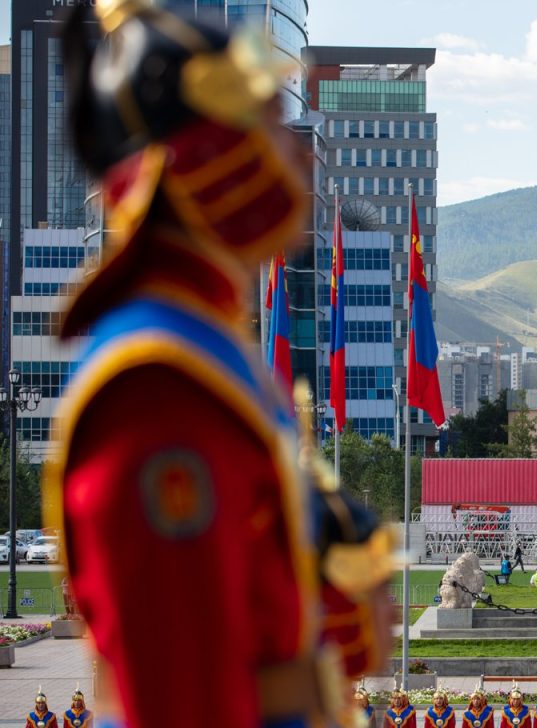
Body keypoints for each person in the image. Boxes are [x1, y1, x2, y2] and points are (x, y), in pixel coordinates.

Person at [49, 2, 395, 725]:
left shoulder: (208, 347)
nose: (298, 152)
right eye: (268, 123)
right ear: (199, 154)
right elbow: (181, 693)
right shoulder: (158, 386)